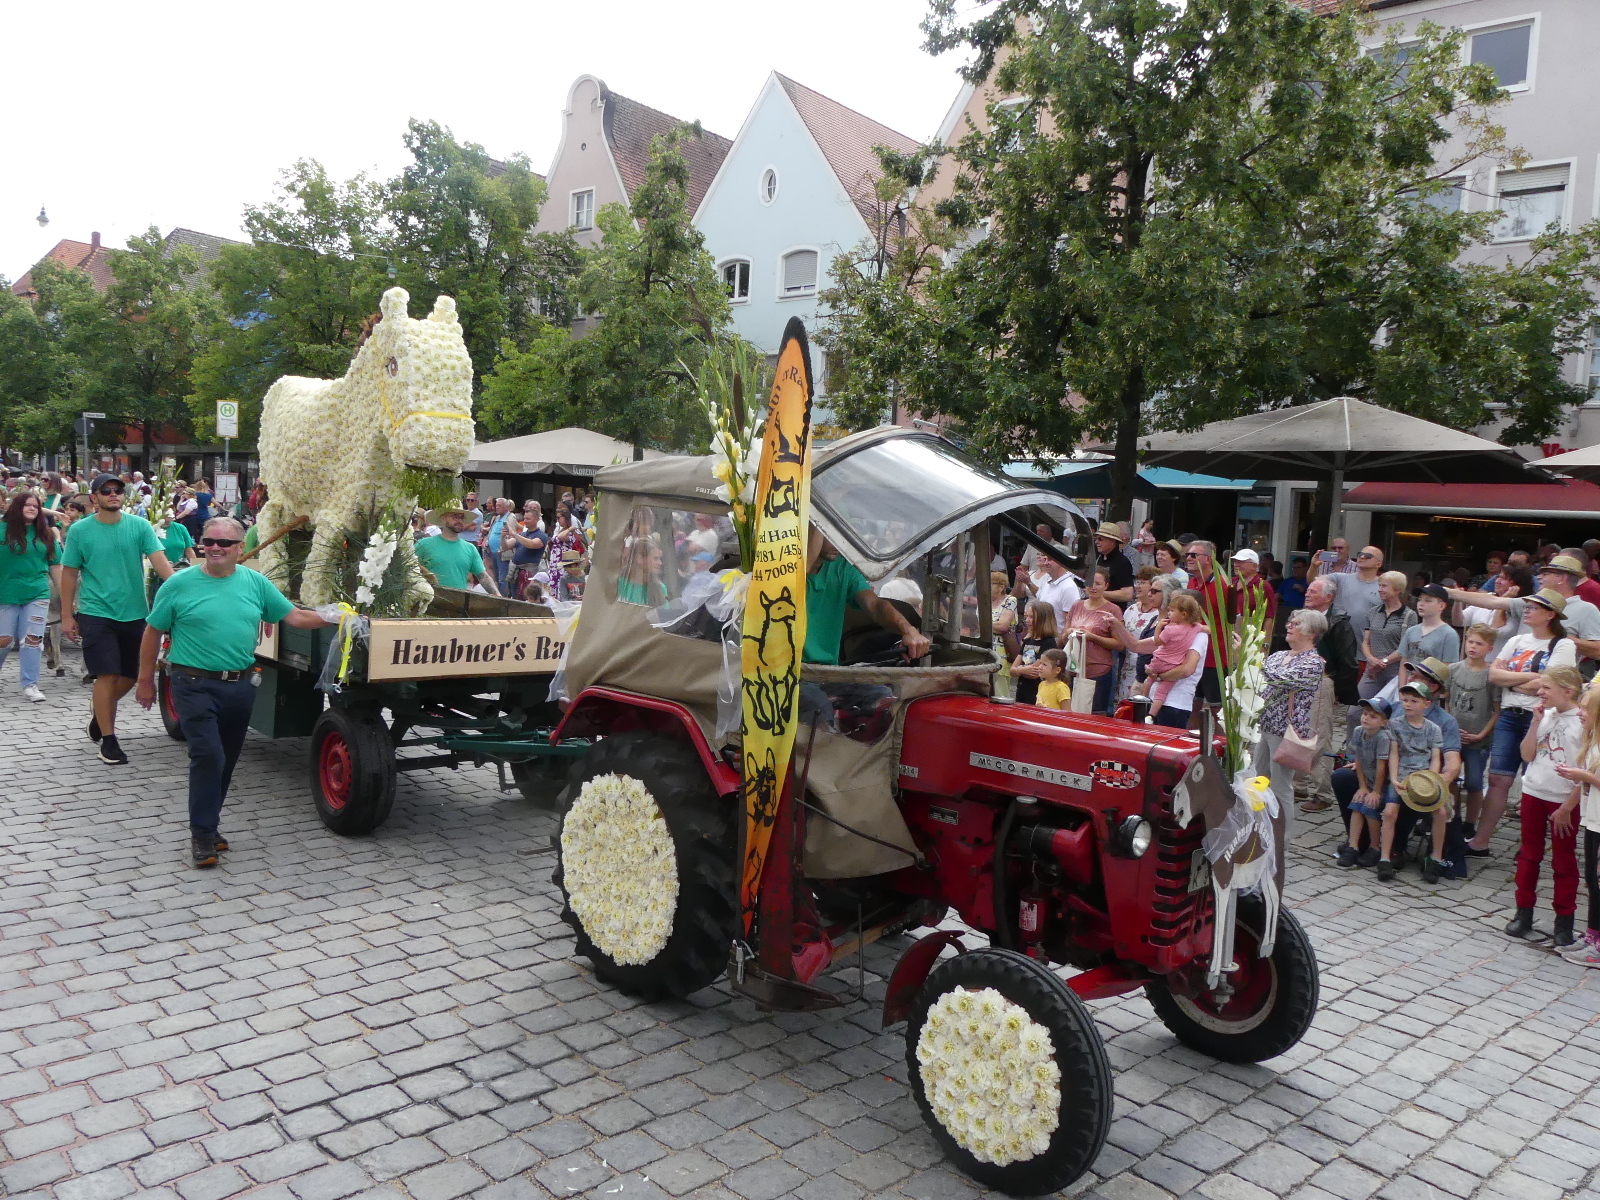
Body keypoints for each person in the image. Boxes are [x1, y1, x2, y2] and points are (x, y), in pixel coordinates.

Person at [137, 517, 330, 867]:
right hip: (192, 684)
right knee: (208, 755)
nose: (215, 548)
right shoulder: (179, 585)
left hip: (240, 686)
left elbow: (297, 618)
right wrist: (145, 680)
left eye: (224, 543)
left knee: (225, 760)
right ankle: (201, 835)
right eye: (208, 541)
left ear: (240, 548)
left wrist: (337, 617)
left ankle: (209, 825)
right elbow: (152, 632)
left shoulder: (255, 582)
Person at [60, 474, 174, 766]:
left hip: (135, 612)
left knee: (132, 675)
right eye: (106, 490)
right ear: (94, 497)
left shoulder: (139, 526)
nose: (114, 494)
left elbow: (160, 562)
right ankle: (109, 742)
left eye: (118, 490)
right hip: (96, 612)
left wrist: (182, 587)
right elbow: (70, 572)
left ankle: (100, 712)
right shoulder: (80, 531)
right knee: (106, 674)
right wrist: (66, 615)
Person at [1467, 589, 1576, 855]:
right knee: (1497, 779)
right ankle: (1480, 842)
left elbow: (1550, 684)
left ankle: (1531, 845)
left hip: (1539, 717)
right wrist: (1531, 680)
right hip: (1509, 715)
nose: (1526, 610)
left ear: (1550, 615)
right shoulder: (1517, 639)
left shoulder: (1563, 645)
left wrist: (1514, 679)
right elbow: (1494, 675)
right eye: (1526, 606)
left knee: (1533, 782)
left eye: (1533, 607)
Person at [1499, 665, 1585, 946]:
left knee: (1563, 860)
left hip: (1563, 800)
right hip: (1534, 791)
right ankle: (1523, 912)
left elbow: (1584, 771)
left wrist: (1567, 807)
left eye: (1546, 687)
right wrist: (1535, 723)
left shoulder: (1582, 723)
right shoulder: (1544, 715)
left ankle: (1564, 920)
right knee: (1528, 854)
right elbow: (1527, 754)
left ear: (1567, 691)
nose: (1540, 692)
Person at [803, 527, 930, 666]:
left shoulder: (843, 568)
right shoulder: (785, 571)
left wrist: (908, 631)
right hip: (791, 671)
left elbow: (875, 605)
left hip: (828, 669)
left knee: (883, 688)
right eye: (829, 533)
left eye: (840, 533)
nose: (838, 541)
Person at [1251, 607, 1328, 820]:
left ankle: (1281, 839)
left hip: (1285, 731)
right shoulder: (1279, 655)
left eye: (1296, 624)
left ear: (1312, 633)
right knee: (1259, 778)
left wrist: (1252, 655)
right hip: (1265, 725)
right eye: (1290, 623)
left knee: (1281, 787)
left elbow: (1280, 679)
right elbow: (1259, 677)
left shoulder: (1312, 662)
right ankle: (1258, 824)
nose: (1289, 626)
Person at [1296, 576, 1361, 812]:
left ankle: (1322, 793)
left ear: (1328, 597)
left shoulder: (1338, 622)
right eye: (1308, 589)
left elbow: (1348, 661)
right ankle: (1299, 785)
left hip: (1324, 682)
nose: (1307, 593)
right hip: (1301, 680)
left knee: (1319, 736)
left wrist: (1338, 693)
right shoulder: (1301, 616)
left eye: (1313, 591)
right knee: (1298, 732)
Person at [1376, 680, 1445, 883]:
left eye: (1414, 701)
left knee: (1441, 812)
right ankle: (1385, 857)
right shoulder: (1395, 725)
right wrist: (1395, 778)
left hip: (1424, 780)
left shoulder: (1433, 729)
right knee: (1390, 812)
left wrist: (1431, 780)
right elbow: (1394, 753)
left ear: (1426, 704)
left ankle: (1436, 858)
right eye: (1405, 700)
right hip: (1402, 777)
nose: (1407, 704)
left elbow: (1435, 758)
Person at [1552, 683, 1600, 967]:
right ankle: (1592, 934)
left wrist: (1583, 775)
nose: (1580, 713)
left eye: (1585, 708)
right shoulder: (1592, 740)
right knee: (1592, 882)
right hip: (1592, 819)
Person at [0, 493, 61, 703]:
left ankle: (30, 684)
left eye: (35, 506)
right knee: (4, 641)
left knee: (32, 640)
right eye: (27, 505)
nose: (32, 509)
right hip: (5, 594)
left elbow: (56, 566)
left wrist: (64, 596)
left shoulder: (45, 535)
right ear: (17, 507)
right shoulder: (2, 531)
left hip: (37, 593)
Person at [1119, 592, 1208, 729]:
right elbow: (1137, 645)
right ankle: (1146, 705)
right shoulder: (1174, 629)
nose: (1168, 612)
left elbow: (1187, 669)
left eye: (1173, 609)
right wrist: (1116, 625)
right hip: (1155, 697)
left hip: (1175, 702)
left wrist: (1159, 676)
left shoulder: (1198, 634)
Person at [1448, 626, 1501, 839]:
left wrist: (1482, 734)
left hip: (1478, 739)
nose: (1473, 647)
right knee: (1450, 777)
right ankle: (1453, 816)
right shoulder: (1454, 670)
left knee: (1473, 782)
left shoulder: (1491, 675)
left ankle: (1470, 822)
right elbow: (1448, 701)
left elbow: (1496, 711)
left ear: (1489, 648)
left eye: (1479, 644)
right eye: (1470, 642)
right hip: (1454, 736)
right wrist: (1450, 728)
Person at [1336, 698, 1392, 869]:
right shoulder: (1359, 731)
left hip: (1381, 785)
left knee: (1370, 806)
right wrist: (1362, 787)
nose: (1366, 718)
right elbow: (1358, 759)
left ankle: (1374, 847)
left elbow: (1382, 768)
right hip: (1367, 781)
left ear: (1384, 722)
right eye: (1365, 714)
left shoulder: (1383, 738)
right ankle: (1353, 846)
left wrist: (1375, 791)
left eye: (1373, 716)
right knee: (1356, 804)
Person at [1065, 566, 1125, 714]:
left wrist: (1092, 637)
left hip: (1098, 672)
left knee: (1095, 715)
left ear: (1106, 586)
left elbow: (1120, 645)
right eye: (1090, 583)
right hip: (1073, 669)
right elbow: (1063, 634)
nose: (1093, 587)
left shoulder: (1113, 610)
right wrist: (1070, 632)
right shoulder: (1077, 606)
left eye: (1098, 583)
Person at [414, 505, 500, 594]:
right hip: (430, 603)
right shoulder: (424, 544)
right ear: (443, 518)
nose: (459, 520)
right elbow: (410, 568)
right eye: (455, 517)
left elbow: (483, 577)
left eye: (462, 518)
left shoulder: (470, 548)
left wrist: (498, 596)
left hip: (459, 603)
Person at [1358, 571, 1415, 705]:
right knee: (1355, 710)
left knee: (1390, 711)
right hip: (1372, 670)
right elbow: (1366, 642)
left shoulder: (1409, 616)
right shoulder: (1373, 612)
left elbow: (1406, 647)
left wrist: (1383, 662)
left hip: (1394, 672)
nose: (1380, 589)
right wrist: (1371, 660)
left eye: (1384, 586)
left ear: (1397, 590)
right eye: (1380, 585)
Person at [1118, 567, 1164, 702]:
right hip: (1127, 666)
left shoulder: (1160, 614)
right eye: (1137, 582)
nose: (1137, 586)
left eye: (1143, 583)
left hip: (1147, 669)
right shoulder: (1131, 609)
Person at [1011, 600, 1060, 707]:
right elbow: (1012, 671)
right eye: (1026, 616)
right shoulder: (1028, 641)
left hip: (1037, 694)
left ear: (1043, 619)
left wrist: (1019, 669)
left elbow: (1034, 672)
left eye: (1032, 617)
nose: (1027, 620)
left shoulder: (1048, 642)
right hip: (1022, 691)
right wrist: (1022, 670)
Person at [1398, 583, 1459, 667]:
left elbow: (1448, 666)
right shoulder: (1411, 631)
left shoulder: (1449, 634)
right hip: (1410, 679)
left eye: (1428, 600)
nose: (1421, 603)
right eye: (1419, 599)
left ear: (1441, 606)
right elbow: (1403, 662)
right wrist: (1403, 680)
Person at [991, 570, 1020, 699]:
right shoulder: (984, 602)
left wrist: (982, 626)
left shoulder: (1010, 600)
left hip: (1001, 655)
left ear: (1001, 587)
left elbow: (1003, 626)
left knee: (1000, 694)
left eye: (991, 583)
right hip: (984, 655)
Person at [1091, 522, 1134, 605]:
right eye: (1096, 538)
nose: (1096, 542)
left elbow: (1128, 594)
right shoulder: (1098, 558)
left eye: (1100, 539)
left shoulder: (1122, 562)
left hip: (1112, 613)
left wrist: (1098, 593)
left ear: (1112, 541)